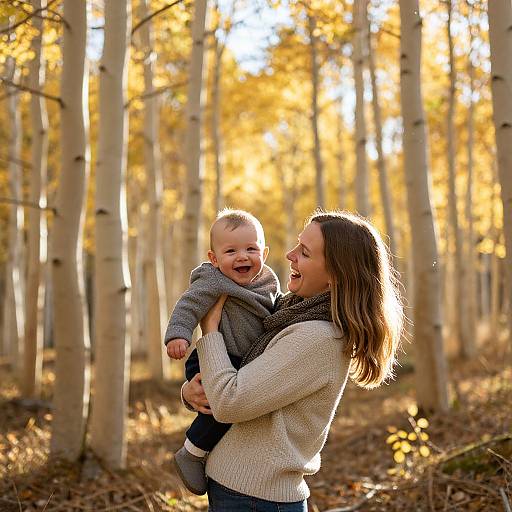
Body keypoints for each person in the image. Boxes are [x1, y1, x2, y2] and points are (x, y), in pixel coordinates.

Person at [181, 210, 404, 511]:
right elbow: (240, 378)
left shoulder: (318, 338)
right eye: (297, 245)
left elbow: (230, 401)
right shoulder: (288, 312)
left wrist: (209, 329)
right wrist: (190, 392)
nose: (290, 255)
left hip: (254, 499)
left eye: (305, 252)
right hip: (242, 493)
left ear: (335, 274)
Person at [164, 209, 280, 495]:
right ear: (214, 259)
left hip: (242, 361)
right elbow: (188, 306)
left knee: (231, 406)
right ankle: (192, 451)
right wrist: (178, 335)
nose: (242, 256)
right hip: (210, 357)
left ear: (264, 253)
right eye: (230, 251)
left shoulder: (269, 282)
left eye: (251, 249)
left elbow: (276, 311)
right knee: (218, 409)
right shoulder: (213, 280)